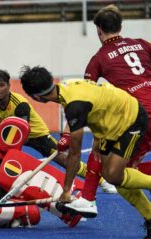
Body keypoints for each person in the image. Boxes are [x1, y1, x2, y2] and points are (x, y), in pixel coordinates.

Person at [19, 65, 151, 239]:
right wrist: (97, 135)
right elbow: (97, 103)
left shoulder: (74, 106)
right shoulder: (66, 87)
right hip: (111, 124)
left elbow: (74, 154)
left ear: (36, 97)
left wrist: (66, 191)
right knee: (115, 179)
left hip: (131, 120)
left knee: (113, 175)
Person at [59, 4, 151, 227]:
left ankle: (89, 199)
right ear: (121, 26)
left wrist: (70, 133)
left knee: (113, 169)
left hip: (139, 118)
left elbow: (84, 100)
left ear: (99, 30)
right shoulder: (142, 44)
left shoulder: (98, 58)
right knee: (123, 170)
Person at [0, 69, 116, 193]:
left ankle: (102, 180)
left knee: (64, 160)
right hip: (11, 132)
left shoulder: (20, 105)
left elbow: (22, 131)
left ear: (8, 86)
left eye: (2, 85)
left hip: (35, 134)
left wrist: (1, 148)